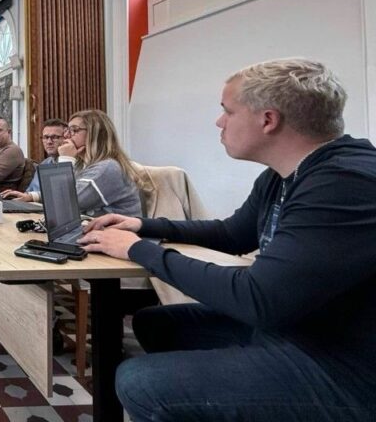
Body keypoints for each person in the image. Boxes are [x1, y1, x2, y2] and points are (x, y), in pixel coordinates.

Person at [80, 59, 376, 421]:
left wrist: (137, 250)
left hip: (344, 367)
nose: (219, 122)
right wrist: (142, 226)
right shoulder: (285, 174)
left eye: (227, 111)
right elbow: (231, 233)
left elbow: (258, 298)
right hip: (298, 330)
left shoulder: (344, 182)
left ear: (268, 120)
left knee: (138, 381)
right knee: (155, 322)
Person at [2, 112, 143, 216]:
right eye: (67, 131)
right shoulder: (84, 164)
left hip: (119, 242)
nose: (67, 136)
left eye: (74, 130)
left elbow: (62, 204)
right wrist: (32, 197)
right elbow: (65, 191)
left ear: (95, 134)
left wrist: (66, 159)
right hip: (97, 234)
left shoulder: (107, 167)